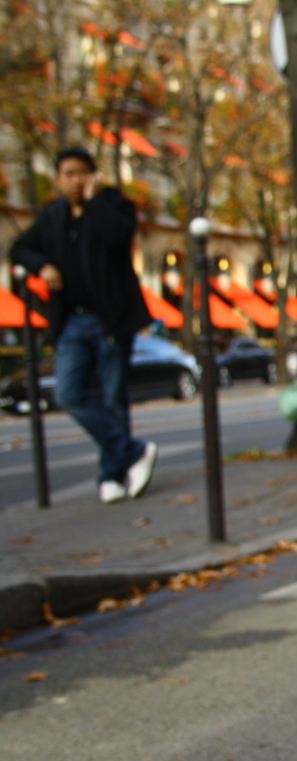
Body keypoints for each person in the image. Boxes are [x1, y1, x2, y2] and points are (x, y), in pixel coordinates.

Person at [10, 147, 157, 504]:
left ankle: (113, 475)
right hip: (72, 321)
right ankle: (132, 452)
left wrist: (96, 202)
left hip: (110, 319)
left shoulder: (114, 205)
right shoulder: (52, 216)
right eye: (68, 174)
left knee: (113, 399)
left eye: (82, 173)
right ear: (58, 179)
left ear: (93, 175)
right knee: (68, 393)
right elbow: (18, 248)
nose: (75, 180)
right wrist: (41, 265)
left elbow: (119, 236)